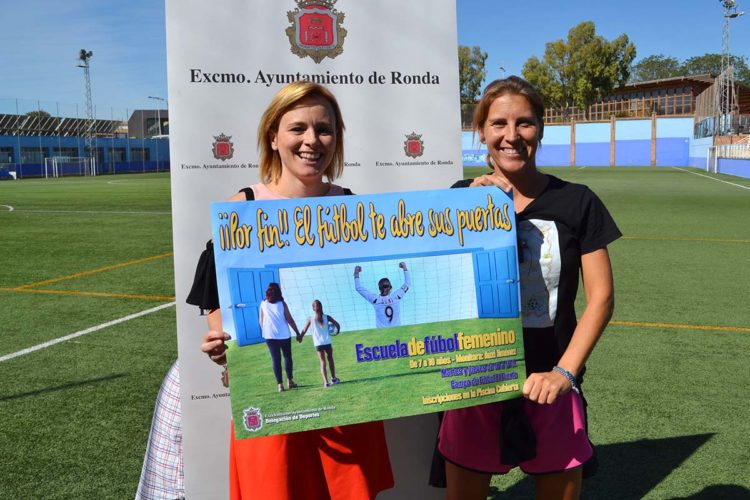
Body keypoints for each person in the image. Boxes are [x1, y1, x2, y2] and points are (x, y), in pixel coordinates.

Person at [198, 81, 394, 500]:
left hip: (346, 410)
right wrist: (223, 342)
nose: (312, 140)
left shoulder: (352, 207)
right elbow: (213, 292)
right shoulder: (241, 208)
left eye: (324, 129)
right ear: (273, 136)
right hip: (271, 409)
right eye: (298, 128)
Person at [437, 76, 621, 500]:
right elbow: (441, 289)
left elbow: (602, 298)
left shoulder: (577, 201)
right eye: (498, 123)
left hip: (551, 382)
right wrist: (466, 207)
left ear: (540, 128)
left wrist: (564, 372)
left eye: (525, 122)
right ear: (479, 132)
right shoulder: (457, 198)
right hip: (475, 383)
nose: (511, 135)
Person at [259, 282, 301, 392]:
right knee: (287, 357)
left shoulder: (263, 303)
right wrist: (297, 332)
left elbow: (261, 321)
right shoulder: (282, 304)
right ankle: (290, 382)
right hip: (284, 335)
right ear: (278, 292)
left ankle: (280, 385)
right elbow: (290, 320)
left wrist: (266, 331)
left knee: (275, 360)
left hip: (269, 336)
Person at [353, 261, 411, 328]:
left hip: (381, 332)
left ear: (379, 288)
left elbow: (358, 288)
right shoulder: (397, 296)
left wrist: (356, 272)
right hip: (397, 330)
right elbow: (407, 284)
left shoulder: (375, 300)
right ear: (391, 287)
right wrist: (404, 267)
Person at [298, 299, 341, 387]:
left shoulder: (310, 319)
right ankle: (333, 378)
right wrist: (337, 332)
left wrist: (300, 337)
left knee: (322, 362)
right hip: (327, 342)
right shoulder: (327, 317)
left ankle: (326, 382)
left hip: (318, 344)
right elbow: (338, 325)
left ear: (313, 309)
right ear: (321, 307)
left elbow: (304, 330)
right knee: (330, 359)